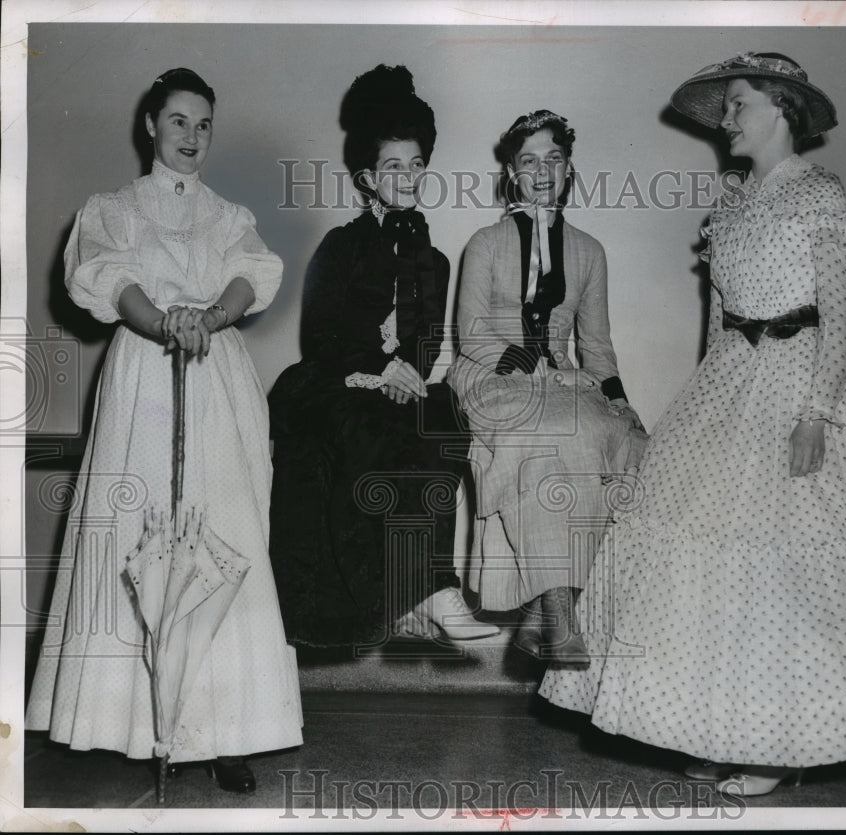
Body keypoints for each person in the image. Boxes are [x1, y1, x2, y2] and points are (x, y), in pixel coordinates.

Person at [539, 52, 846, 795]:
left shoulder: (822, 196)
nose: (728, 120)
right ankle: (726, 726)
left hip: (801, 383)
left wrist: (817, 413)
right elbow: (718, 323)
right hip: (730, 387)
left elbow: (838, 321)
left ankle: (780, 746)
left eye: (740, 104)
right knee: (713, 564)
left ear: (781, 107)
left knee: (793, 569)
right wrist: (703, 409)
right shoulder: (731, 203)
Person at [25, 68, 303, 793]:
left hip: (216, 376)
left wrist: (205, 320)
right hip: (146, 377)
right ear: (151, 124)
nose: (191, 137)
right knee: (138, 535)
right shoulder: (112, 209)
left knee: (224, 536)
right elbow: (110, 282)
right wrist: (164, 322)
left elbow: (249, 276)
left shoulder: (228, 215)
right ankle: (131, 722)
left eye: (204, 124)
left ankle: (227, 731)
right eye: (178, 121)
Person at [268, 65, 498, 650]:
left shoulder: (436, 261)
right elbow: (319, 336)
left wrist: (410, 374)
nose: (408, 177)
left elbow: (424, 344)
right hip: (331, 381)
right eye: (394, 167)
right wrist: (378, 367)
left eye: (416, 165)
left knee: (443, 418)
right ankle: (415, 596)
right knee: (367, 426)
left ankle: (427, 594)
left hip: (398, 384)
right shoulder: (340, 246)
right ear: (369, 177)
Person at [450, 110, 647, 668]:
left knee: (614, 435)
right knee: (554, 432)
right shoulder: (485, 243)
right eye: (529, 161)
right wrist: (534, 367)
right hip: (490, 373)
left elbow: (598, 346)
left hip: (562, 378)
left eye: (553, 160)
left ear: (569, 169)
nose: (542, 172)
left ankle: (548, 611)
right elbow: (470, 332)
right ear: (512, 171)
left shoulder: (590, 251)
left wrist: (618, 398)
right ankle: (559, 616)